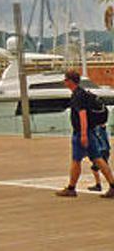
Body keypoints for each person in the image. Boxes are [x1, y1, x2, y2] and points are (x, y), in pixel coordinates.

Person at [56, 69, 114, 198]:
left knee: (76, 160)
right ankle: (112, 186)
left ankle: (71, 188)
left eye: (65, 80)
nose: (64, 82)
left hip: (82, 133)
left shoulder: (77, 95)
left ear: (70, 81)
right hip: (89, 131)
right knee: (98, 159)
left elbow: (83, 115)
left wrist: (83, 134)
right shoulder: (82, 93)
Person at [89, 124, 112, 191]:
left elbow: (102, 123)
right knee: (95, 168)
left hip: (102, 150)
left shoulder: (100, 128)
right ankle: (98, 185)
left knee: (101, 168)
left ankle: (108, 185)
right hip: (100, 150)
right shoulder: (94, 129)